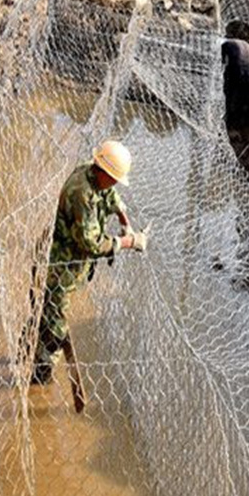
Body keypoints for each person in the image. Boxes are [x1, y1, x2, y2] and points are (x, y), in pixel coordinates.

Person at [32, 141, 148, 384]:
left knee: (46, 313)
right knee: (55, 329)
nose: (115, 183)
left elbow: (109, 194)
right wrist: (128, 241)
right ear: (103, 171)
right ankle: (39, 379)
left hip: (67, 266)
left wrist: (123, 217)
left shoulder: (92, 171)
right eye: (114, 178)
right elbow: (92, 243)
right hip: (57, 268)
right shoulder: (81, 194)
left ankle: (30, 343)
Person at [221, 38, 249, 128]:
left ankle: (231, 121)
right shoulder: (244, 44)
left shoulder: (227, 44)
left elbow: (222, 62)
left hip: (239, 70)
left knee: (231, 94)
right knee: (242, 96)